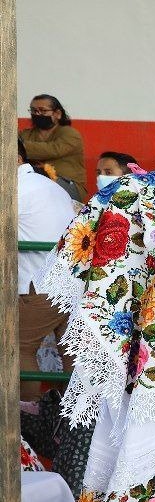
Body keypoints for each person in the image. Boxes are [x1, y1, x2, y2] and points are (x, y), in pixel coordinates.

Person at [17, 139, 77, 399]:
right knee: (71, 355)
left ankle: (24, 415)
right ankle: (75, 419)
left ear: (16, 158)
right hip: (71, 281)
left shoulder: (14, 189)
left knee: (16, 347)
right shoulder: (50, 186)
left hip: (39, 283)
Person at [19, 94, 86, 199]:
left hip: (69, 185)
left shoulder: (70, 133)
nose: (37, 114)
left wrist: (22, 147)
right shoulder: (26, 134)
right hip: (35, 180)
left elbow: (53, 150)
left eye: (43, 111)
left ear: (58, 114)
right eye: (34, 111)